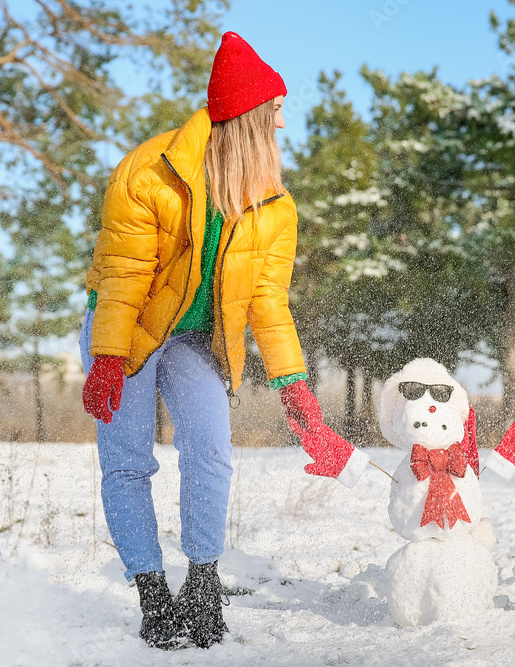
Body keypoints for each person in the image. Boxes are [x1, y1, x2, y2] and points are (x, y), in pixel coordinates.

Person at [78, 32, 369, 651]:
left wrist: (295, 386)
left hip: (194, 339)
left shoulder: (273, 203)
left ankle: (203, 588)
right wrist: (107, 358)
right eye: (277, 113)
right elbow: (126, 276)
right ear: (249, 121)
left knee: (210, 449)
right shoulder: (147, 172)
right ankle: (153, 595)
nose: (285, 124)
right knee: (128, 461)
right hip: (126, 327)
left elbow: (269, 303)